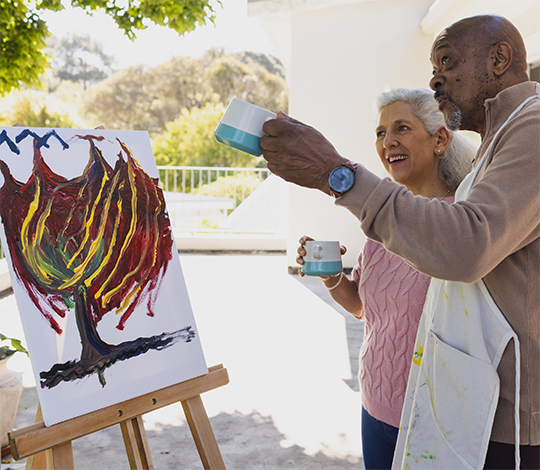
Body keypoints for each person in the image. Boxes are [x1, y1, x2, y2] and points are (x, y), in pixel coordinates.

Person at [260, 14, 539, 470]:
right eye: (380, 132)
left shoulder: (533, 126)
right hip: (460, 410)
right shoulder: (496, 145)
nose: (435, 79)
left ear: (500, 58)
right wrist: (334, 278)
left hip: (512, 427)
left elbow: (465, 247)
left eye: (447, 61)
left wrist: (338, 175)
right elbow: (371, 307)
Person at [295, 87, 475, 470]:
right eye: (380, 133)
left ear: (440, 139)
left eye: (401, 128)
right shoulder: (383, 218)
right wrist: (330, 276)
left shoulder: (463, 222)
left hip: (433, 418)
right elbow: (362, 306)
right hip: (374, 404)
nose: (387, 141)